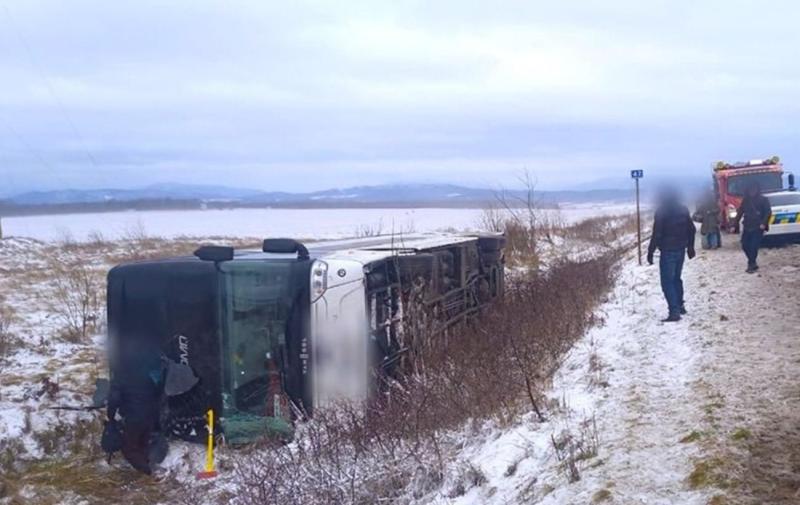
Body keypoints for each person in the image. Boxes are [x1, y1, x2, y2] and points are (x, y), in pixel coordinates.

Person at [647, 189, 697, 322]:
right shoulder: (683, 209)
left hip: (668, 250)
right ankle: (680, 306)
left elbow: (656, 234)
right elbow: (692, 229)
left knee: (667, 282)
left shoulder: (661, 211)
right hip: (680, 249)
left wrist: (650, 252)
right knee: (676, 279)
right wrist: (690, 246)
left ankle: (674, 312)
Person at [734, 182, 772, 273]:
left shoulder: (763, 200)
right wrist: (733, 224)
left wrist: (763, 223)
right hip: (747, 225)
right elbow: (740, 213)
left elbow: (768, 212)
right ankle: (752, 261)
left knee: (754, 246)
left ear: (757, 190)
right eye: (751, 190)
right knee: (745, 245)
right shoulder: (746, 200)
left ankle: (751, 264)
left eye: (754, 189)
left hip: (758, 226)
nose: (752, 191)